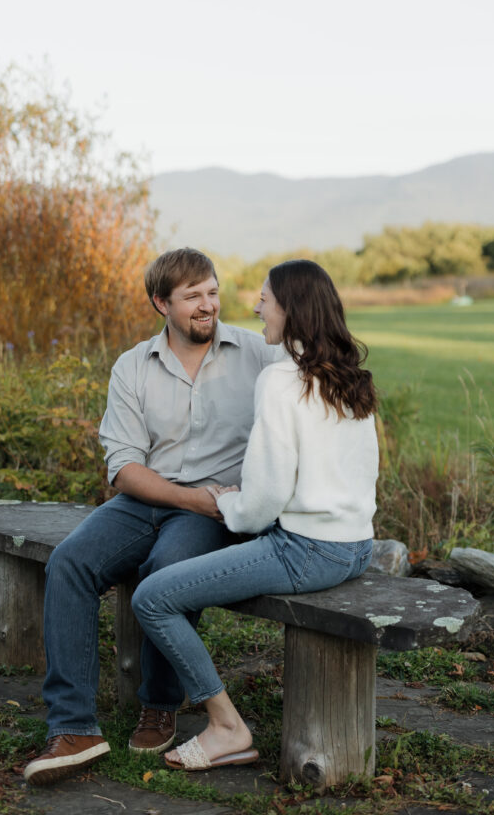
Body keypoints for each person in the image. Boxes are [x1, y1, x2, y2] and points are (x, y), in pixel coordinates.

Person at [24, 247, 277, 786]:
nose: (207, 306)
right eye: (192, 297)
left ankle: (160, 705)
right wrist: (192, 498)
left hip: (216, 510)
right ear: (161, 303)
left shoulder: (258, 354)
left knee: (164, 571)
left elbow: (312, 390)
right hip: (148, 500)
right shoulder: (133, 365)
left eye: (212, 292)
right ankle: (74, 728)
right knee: (69, 563)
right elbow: (123, 468)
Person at [131, 259, 379, 771]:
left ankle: (225, 725)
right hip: (358, 546)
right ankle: (214, 719)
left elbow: (263, 501)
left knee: (153, 597)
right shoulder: (349, 376)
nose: (255, 307)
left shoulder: (281, 380)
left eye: (265, 299)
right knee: (172, 576)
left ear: (290, 308)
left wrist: (225, 503)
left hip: (307, 551)